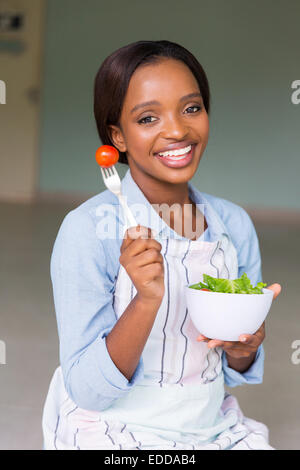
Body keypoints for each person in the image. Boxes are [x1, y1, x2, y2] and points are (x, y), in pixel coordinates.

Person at [42, 40, 281, 450]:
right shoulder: (86, 230)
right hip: (109, 428)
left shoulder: (233, 225)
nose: (177, 130)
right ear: (117, 136)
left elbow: (231, 365)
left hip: (209, 426)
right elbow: (88, 390)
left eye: (191, 108)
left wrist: (246, 344)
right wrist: (145, 299)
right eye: (148, 117)